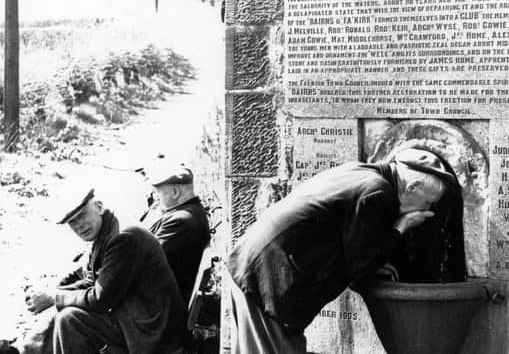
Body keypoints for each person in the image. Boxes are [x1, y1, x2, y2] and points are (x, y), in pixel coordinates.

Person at [226, 147, 464, 354]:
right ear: (412, 187)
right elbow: (359, 268)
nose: (429, 210)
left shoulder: (362, 173)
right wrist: (400, 229)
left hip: (256, 268)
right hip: (269, 282)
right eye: (428, 202)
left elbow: (353, 243)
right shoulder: (375, 192)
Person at [22, 189, 187, 354]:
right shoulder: (108, 229)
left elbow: (100, 299)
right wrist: (54, 293)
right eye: (72, 222)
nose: (79, 225)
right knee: (64, 313)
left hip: (154, 329)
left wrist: (54, 298)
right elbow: (93, 280)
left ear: (99, 207)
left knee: (69, 320)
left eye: (82, 215)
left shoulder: (123, 237)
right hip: (137, 314)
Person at [145, 164, 211, 304]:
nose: (155, 198)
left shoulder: (180, 221)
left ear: (175, 192)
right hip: (166, 297)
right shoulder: (192, 211)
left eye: (158, 193)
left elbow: (146, 262)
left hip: (161, 307)